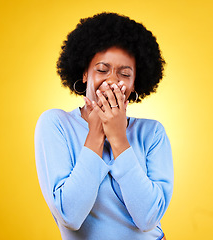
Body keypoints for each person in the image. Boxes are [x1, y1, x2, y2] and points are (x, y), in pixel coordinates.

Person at [35, 12, 173, 240]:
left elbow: (148, 219)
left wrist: (119, 139)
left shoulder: (152, 133)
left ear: (135, 82)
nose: (112, 80)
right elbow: (69, 215)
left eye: (124, 73)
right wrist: (97, 132)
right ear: (84, 73)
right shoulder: (56, 124)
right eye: (102, 69)